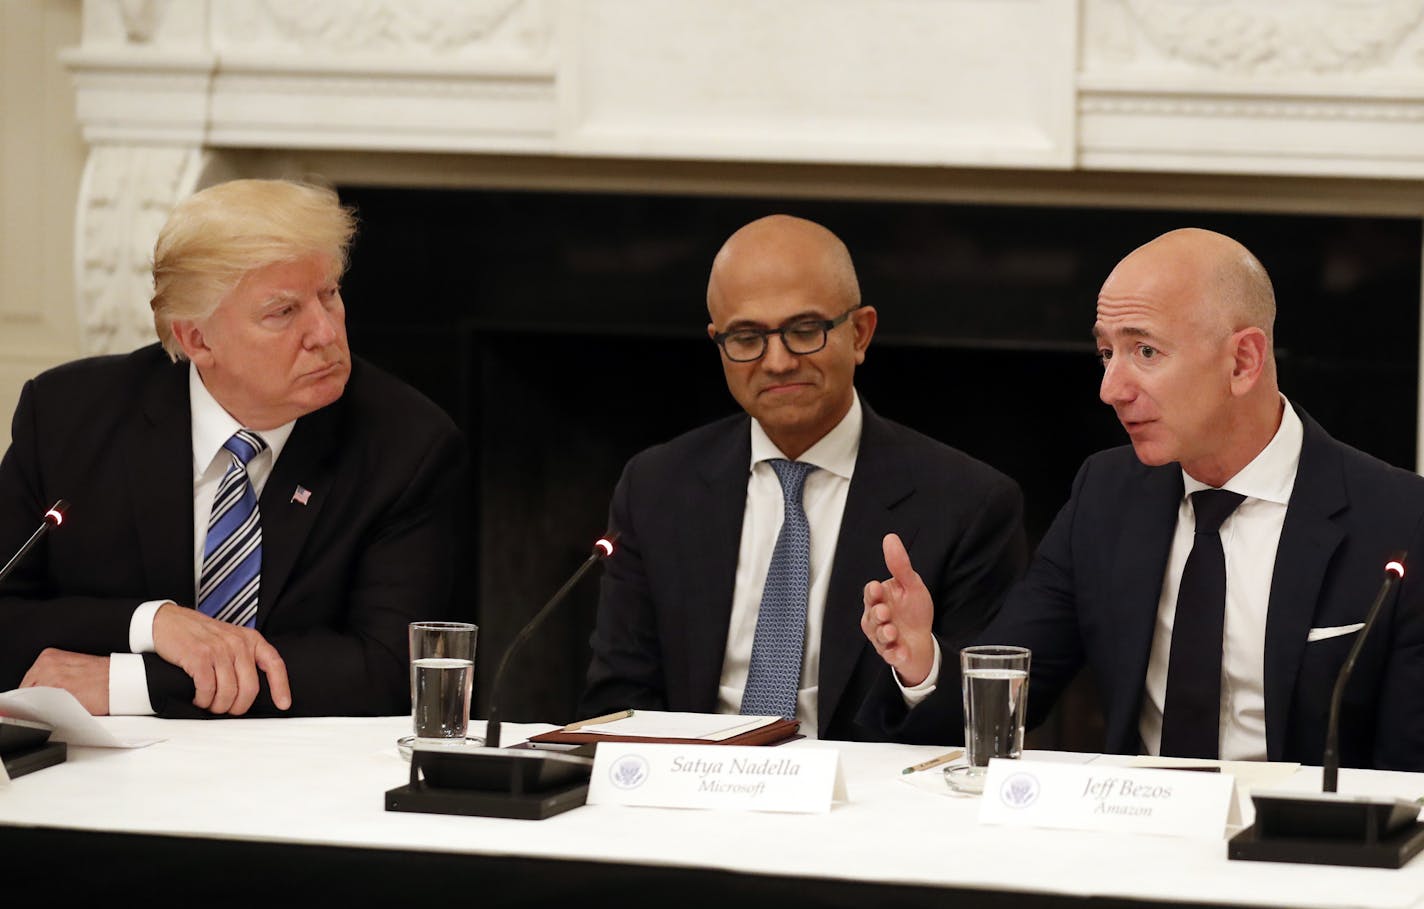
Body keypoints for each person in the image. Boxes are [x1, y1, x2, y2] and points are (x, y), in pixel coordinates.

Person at [860, 227, 1424, 770]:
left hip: (1308, 851)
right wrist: (924, 664)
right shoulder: (1105, 495)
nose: (1111, 390)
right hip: (1134, 833)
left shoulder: (1400, 518)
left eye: (1146, 352)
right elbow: (1014, 687)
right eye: (1107, 354)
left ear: (1243, 361)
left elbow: (1407, 772)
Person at [0, 178, 467, 718]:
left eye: (329, 294)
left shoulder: (407, 444)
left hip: (295, 776)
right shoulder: (67, 418)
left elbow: (391, 669)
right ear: (198, 340)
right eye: (283, 312)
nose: (325, 331)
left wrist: (135, 683)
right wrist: (153, 623)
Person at [579, 214, 1026, 740]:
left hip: (863, 807)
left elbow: (989, 726)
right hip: (692, 791)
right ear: (717, 344)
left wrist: (920, 668)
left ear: (860, 333)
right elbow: (618, 697)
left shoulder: (968, 503)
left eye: (804, 331)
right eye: (746, 337)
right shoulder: (657, 485)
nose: (778, 361)